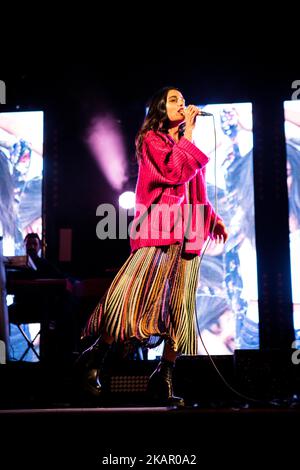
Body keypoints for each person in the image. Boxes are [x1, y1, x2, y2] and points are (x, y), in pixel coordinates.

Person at [77, 87, 228, 406]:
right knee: (131, 300)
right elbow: (174, 171)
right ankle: (93, 359)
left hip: (186, 233)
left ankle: (165, 375)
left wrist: (212, 218)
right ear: (160, 108)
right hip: (158, 230)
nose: (182, 104)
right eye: (174, 100)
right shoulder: (151, 141)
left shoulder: (182, 142)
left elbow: (195, 188)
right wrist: (190, 132)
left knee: (181, 309)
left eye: (183, 99)